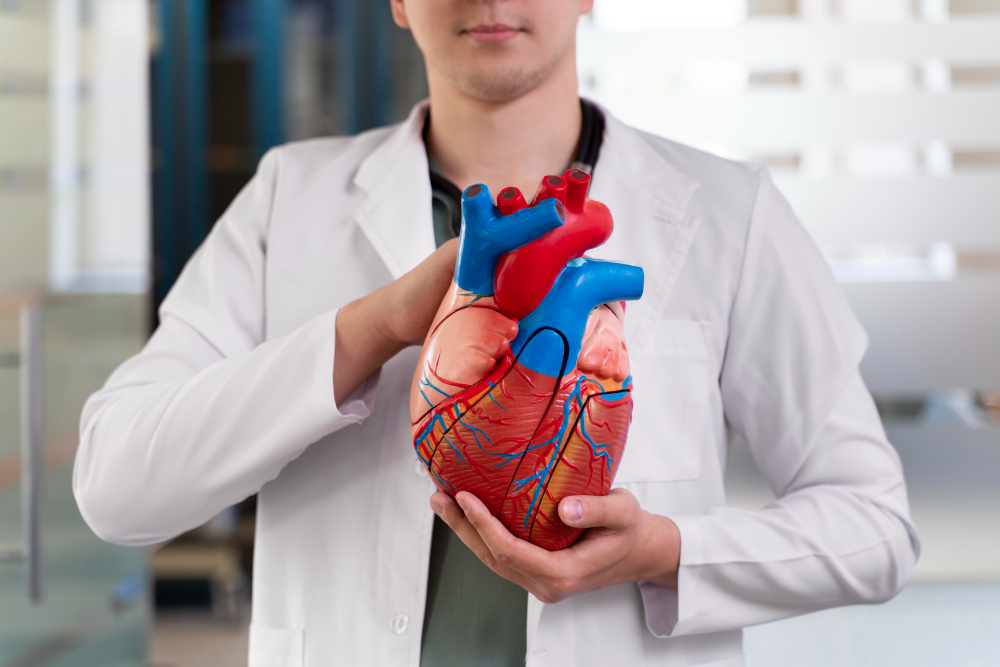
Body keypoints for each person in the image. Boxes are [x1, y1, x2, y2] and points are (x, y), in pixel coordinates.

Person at [73, 1, 921, 665]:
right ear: (398, 0)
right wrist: (373, 330)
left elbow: (873, 526)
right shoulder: (288, 200)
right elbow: (115, 485)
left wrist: (664, 549)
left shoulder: (731, 214)